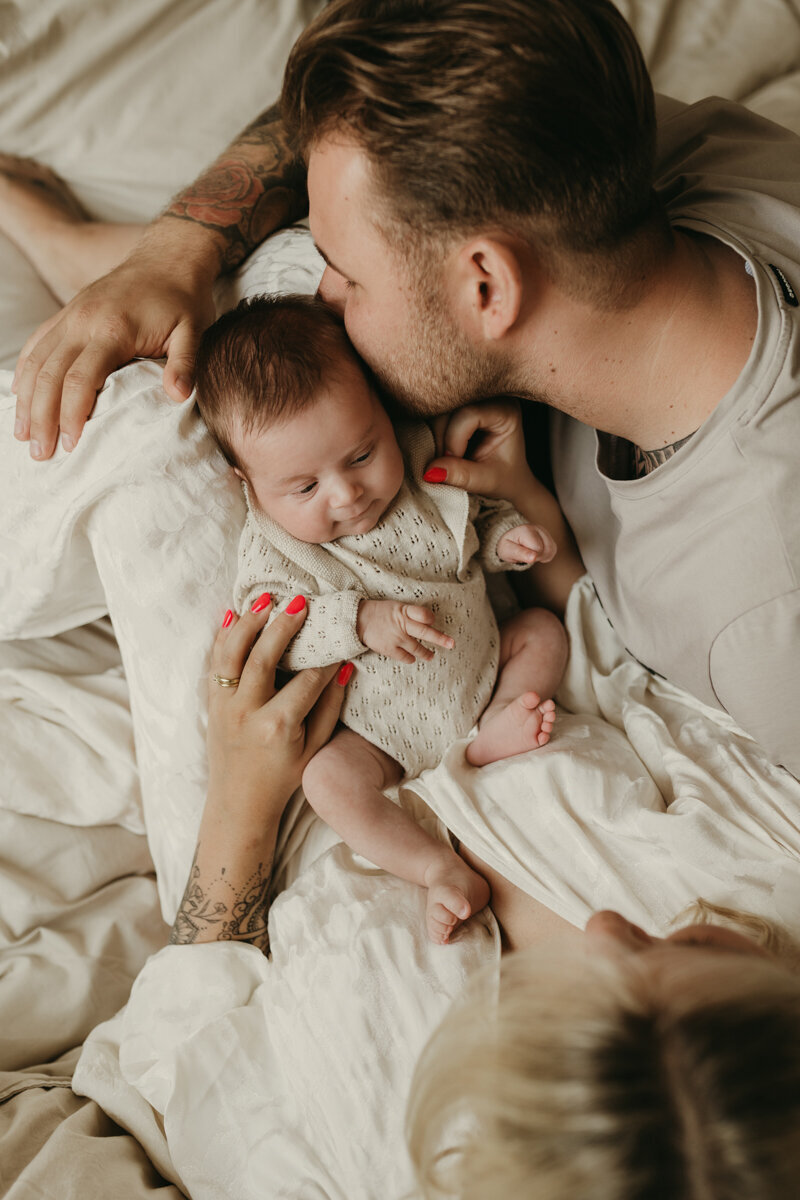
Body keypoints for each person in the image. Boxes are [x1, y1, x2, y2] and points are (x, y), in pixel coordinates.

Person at [4, 0, 798, 777]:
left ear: (486, 286)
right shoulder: (650, 146)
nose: (329, 292)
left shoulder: (761, 615)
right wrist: (174, 254)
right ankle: (78, 248)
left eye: (348, 275)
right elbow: (349, 124)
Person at [172, 582, 800, 1198]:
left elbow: (185, 1040)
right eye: (692, 946)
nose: (606, 925)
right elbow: (606, 651)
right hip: (472, 650)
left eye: (576, 1002)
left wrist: (239, 793)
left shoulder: (361, 1136)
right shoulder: (765, 864)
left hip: (269, 809)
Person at [193, 291, 568, 942]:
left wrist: (508, 538)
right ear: (244, 482)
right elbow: (281, 633)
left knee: (543, 634)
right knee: (327, 781)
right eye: (305, 487)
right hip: (376, 733)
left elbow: (468, 524)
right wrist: (361, 622)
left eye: (362, 454)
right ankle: (436, 871)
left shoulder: (419, 468)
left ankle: (491, 734)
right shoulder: (272, 548)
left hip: (481, 667)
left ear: (379, 413)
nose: (346, 493)